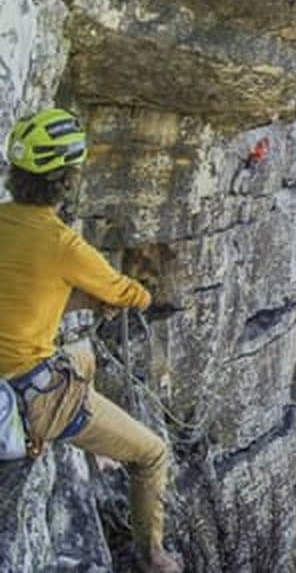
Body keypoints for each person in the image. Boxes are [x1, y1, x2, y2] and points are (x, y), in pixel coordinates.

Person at [0, 108, 182, 573]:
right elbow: (127, 293)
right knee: (151, 454)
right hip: (26, 396)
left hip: (15, 369)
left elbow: (20, 294)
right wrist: (136, 297)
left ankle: (96, 443)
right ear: (65, 181)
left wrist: (78, 301)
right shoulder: (64, 244)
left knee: (83, 356)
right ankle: (153, 555)